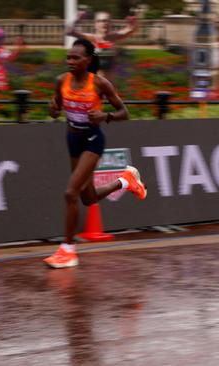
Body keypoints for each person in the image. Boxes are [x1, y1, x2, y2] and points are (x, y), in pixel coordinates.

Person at [45, 38, 147, 269]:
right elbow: (55, 109)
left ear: (88, 60)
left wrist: (105, 116)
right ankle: (126, 181)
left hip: (93, 140)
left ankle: (68, 250)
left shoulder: (100, 84)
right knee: (87, 197)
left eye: (76, 58)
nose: (70, 61)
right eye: (68, 57)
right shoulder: (61, 81)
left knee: (70, 193)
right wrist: (52, 110)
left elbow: (124, 112)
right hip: (73, 139)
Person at [66, 11, 138, 79]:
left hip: (109, 85)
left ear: (110, 23)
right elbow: (70, 31)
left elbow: (131, 29)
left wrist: (133, 23)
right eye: (100, 21)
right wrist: (76, 19)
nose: (104, 23)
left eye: (106, 21)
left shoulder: (114, 37)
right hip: (93, 85)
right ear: (95, 24)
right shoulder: (91, 38)